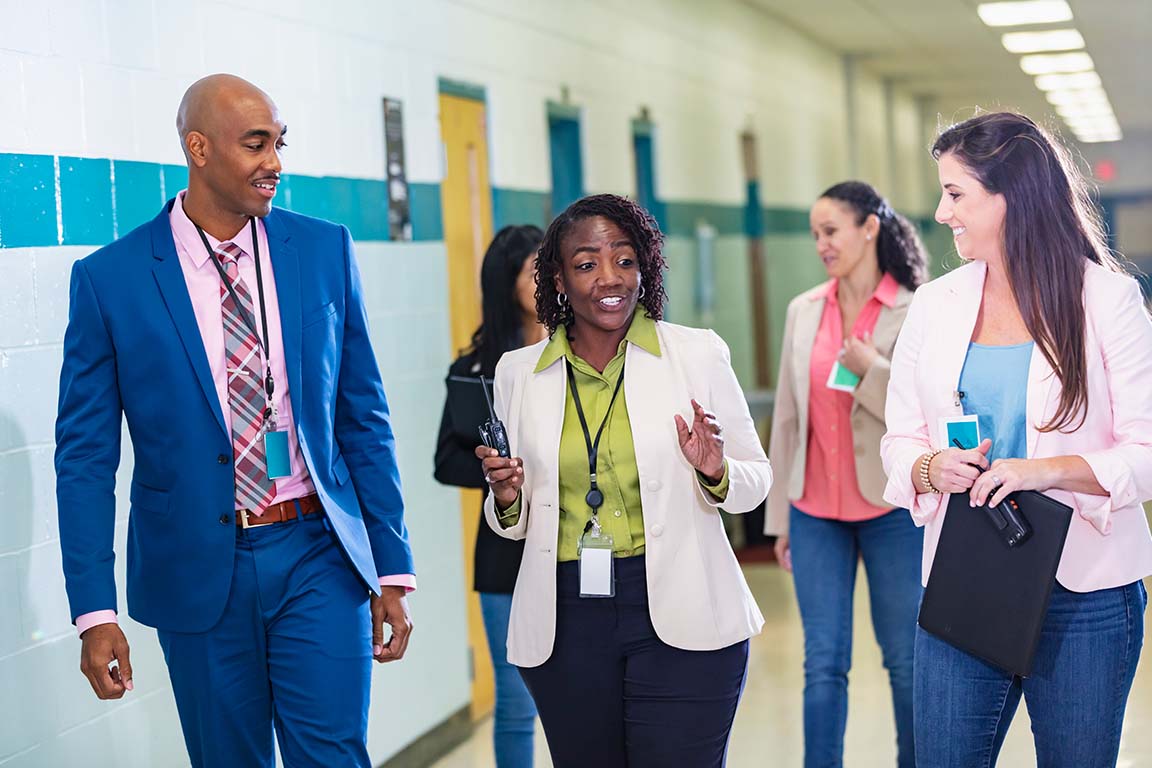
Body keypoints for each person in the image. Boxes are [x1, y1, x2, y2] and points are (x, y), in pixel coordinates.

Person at [55, 74, 415, 768]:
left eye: (280, 142)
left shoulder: (321, 250)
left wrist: (392, 565)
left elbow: (362, 415)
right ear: (198, 149)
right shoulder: (112, 278)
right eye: (256, 144)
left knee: (335, 755)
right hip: (196, 566)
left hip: (317, 549)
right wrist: (94, 612)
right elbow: (84, 458)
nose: (274, 161)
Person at [881, 111, 1152, 767]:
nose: (943, 213)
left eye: (956, 194)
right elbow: (899, 439)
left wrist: (1044, 470)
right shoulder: (937, 304)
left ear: (1012, 196)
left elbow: (1145, 455)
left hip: (1085, 593)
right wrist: (929, 467)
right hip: (967, 578)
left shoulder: (1106, 300)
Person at [474, 194, 771, 768]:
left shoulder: (696, 355)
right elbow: (512, 524)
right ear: (558, 279)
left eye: (625, 260)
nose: (609, 279)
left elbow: (755, 481)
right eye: (586, 264)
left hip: (683, 608)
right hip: (568, 618)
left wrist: (715, 469)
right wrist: (507, 498)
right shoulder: (518, 373)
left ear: (646, 267)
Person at [766, 180, 929, 768]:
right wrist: (780, 517)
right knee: (823, 662)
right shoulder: (803, 311)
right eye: (815, 235)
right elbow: (788, 417)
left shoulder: (918, 308)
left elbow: (925, 416)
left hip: (890, 511)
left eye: (830, 231)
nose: (821, 245)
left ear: (869, 229)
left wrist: (871, 368)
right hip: (814, 512)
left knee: (907, 659)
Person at [434, 224, 545, 767]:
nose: (549, 279)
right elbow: (445, 461)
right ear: (507, 285)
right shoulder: (476, 370)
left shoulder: (582, 354)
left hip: (580, 545)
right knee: (517, 699)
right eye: (534, 271)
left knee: (591, 694)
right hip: (505, 552)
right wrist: (497, 472)